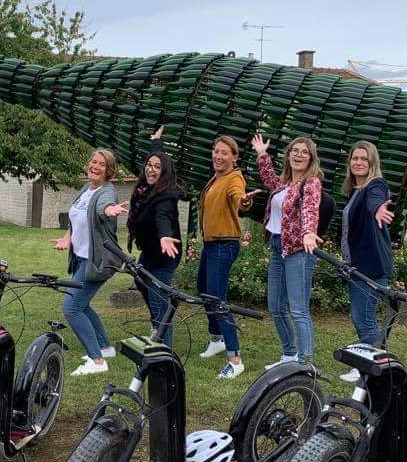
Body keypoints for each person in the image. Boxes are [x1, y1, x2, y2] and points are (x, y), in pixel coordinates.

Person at [251, 133, 324, 370]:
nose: (299, 155)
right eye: (295, 150)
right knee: (275, 306)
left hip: (298, 250)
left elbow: (310, 210)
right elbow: (268, 178)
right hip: (277, 247)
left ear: (311, 157)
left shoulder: (311, 183)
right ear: (289, 155)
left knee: (298, 309)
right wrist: (262, 154)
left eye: (304, 152)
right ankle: (290, 354)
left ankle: (306, 364)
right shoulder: (285, 182)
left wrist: (308, 232)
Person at [51, 149, 126, 376]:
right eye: (93, 161)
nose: (96, 166)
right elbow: (76, 217)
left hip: (97, 262)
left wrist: (109, 210)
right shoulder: (87, 188)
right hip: (82, 258)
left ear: (108, 170)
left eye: (102, 164)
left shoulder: (106, 193)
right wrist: (67, 237)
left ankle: (97, 360)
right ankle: (105, 347)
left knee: (72, 308)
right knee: (82, 304)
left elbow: (103, 207)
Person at [197, 135, 259, 379]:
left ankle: (235, 359)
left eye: (224, 153)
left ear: (234, 157)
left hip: (224, 245)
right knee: (204, 290)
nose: (218, 156)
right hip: (211, 245)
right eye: (216, 151)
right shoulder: (216, 178)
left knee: (218, 299)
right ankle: (217, 339)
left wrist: (243, 201)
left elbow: (238, 196)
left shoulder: (234, 178)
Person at [337, 141, 395, 382]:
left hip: (371, 266)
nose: (359, 162)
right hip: (356, 265)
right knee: (360, 316)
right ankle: (371, 364)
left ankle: (370, 368)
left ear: (372, 163)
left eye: (364, 159)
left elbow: (376, 200)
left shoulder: (375, 185)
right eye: (355, 158)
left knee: (364, 318)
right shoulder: (354, 191)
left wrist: (377, 211)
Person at [123, 126, 184, 343]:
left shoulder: (166, 195)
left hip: (165, 254)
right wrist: (156, 142)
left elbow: (163, 216)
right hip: (150, 250)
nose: (151, 169)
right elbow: (158, 155)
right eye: (149, 164)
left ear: (164, 172)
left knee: (159, 301)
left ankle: (164, 351)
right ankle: (156, 326)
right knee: (140, 281)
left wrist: (165, 235)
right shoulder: (143, 190)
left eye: (157, 167)